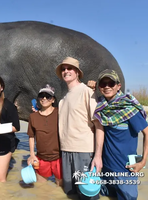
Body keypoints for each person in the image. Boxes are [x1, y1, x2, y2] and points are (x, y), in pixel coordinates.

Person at [92, 69, 148, 200]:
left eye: (111, 83)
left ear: (118, 86)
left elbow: (147, 133)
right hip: (106, 169)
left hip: (125, 171)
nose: (107, 86)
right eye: (103, 84)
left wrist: (143, 161)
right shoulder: (102, 107)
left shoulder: (129, 109)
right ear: (99, 87)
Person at [55, 57, 104, 199]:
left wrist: (98, 155)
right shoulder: (63, 98)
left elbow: (98, 125)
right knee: (69, 194)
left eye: (69, 68)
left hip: (84, 152)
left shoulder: (87, 92)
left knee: (88, 194)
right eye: (63, 69)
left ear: (77, 72)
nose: (66, 71)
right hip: (65, 151)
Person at [27, 84, 62, 186]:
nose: (44, 98)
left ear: (53, 100)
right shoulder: (33, 116)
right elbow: (31, 136)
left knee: (60, 189)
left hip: (59, 158)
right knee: (41, 190)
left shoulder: (60, 112)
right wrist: (32, 155)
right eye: (42, 96)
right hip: (41, 159)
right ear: (38, 99)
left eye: (48, 96)